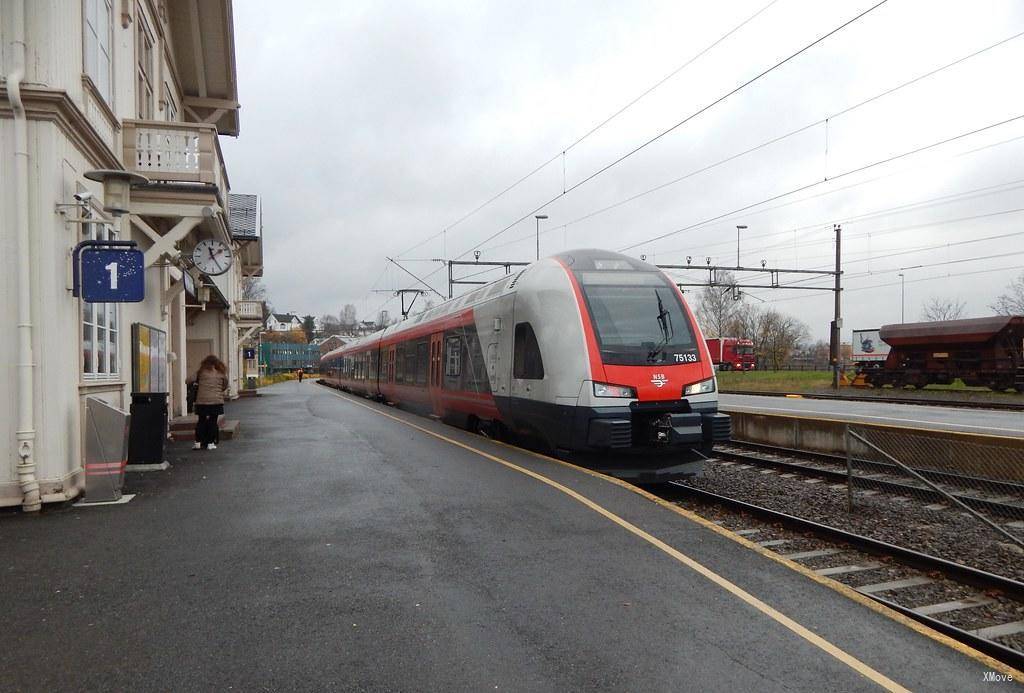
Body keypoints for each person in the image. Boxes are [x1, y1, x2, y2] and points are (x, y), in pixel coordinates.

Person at [192, 355, 228, 451]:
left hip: (202, 401)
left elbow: (187, 380)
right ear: (217, 364)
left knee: (201, 421)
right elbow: (225, 385)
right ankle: (211, 443)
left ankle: (198, 443)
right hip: (216, 401)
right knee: (213, 421)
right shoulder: (221, 373)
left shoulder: (200, 372)